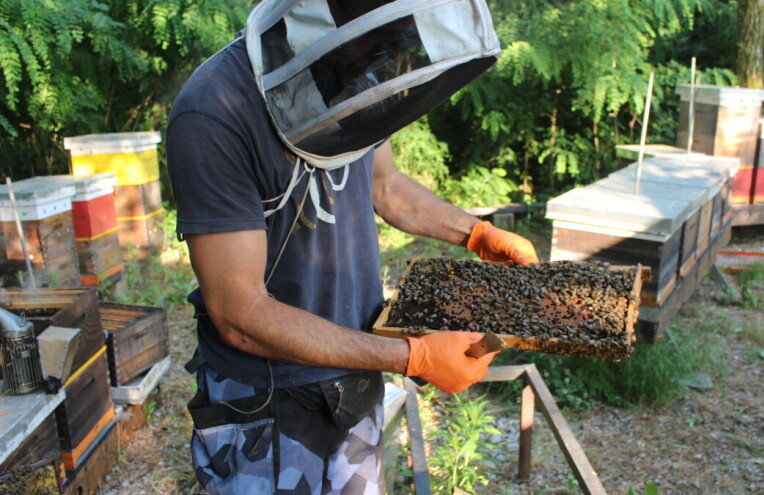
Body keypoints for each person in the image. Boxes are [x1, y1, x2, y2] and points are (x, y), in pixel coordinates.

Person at [166, 1, 538, 493]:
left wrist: (474, 232)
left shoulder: (354, 69)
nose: (385, 53)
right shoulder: (213, 112)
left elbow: (385, 186)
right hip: (267, 402)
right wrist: (414, 358)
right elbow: (240, 314)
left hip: (357, 375)